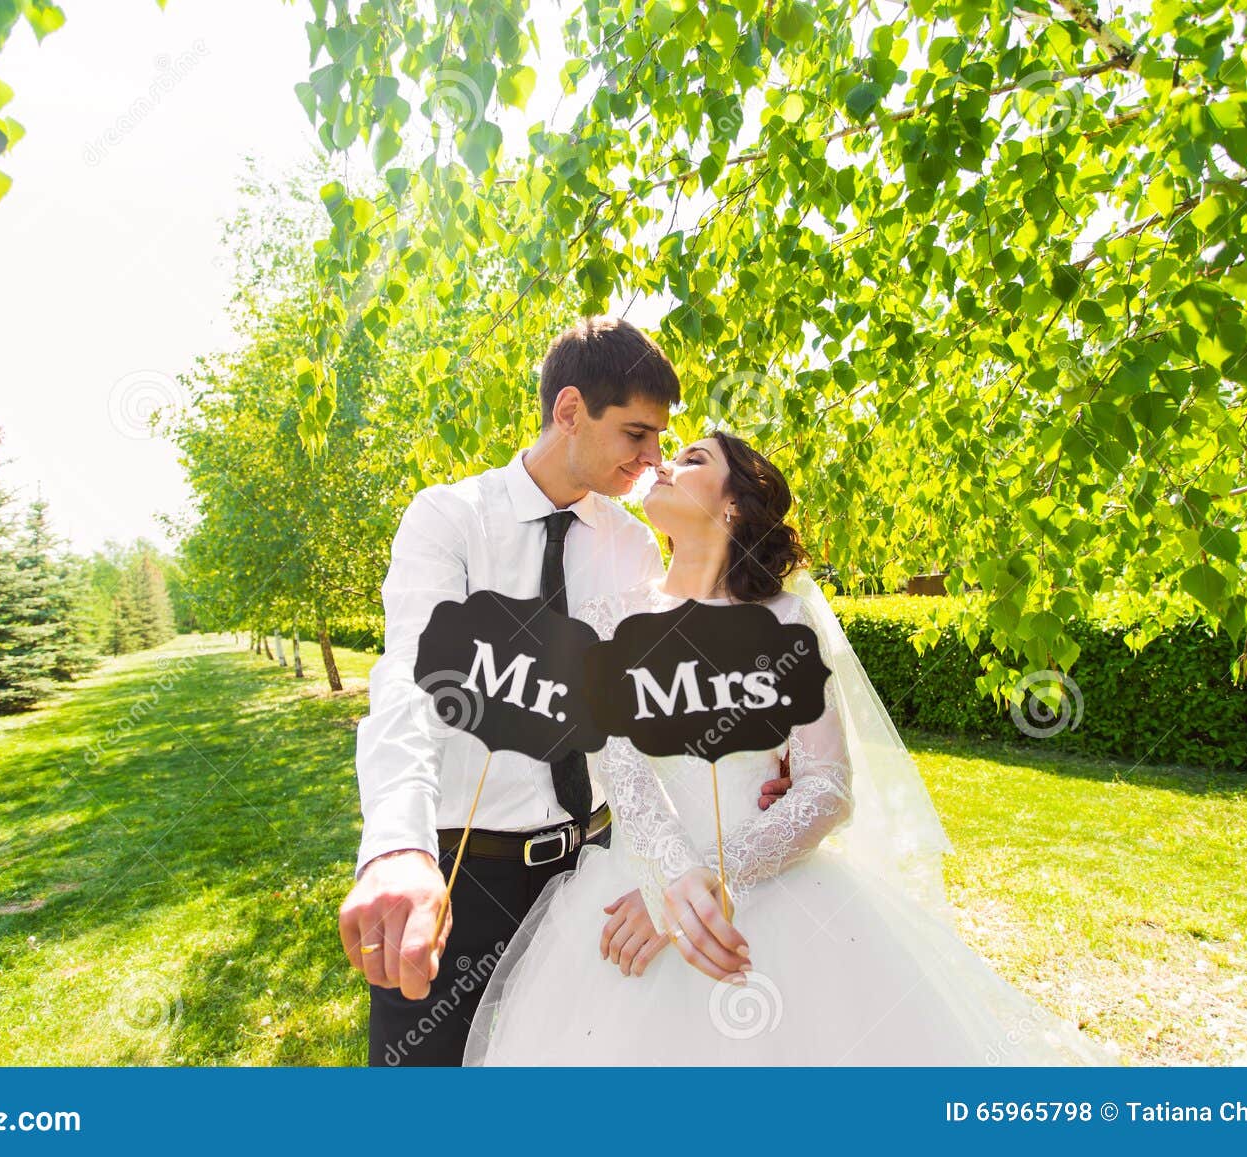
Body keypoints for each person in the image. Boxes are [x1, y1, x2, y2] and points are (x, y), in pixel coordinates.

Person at [462, 431, 1123, 1065]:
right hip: (631, 887)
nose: (661, 463)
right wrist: (671, 889)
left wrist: (712, 883)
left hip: (775, 894)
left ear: (732, 503)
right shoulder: (609, 620)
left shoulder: (784, 620)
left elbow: (827, 786)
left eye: (690, 458)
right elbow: (625, 777)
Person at [339, 319, 795, 1066]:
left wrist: (758, 752)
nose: (653, 462)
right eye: (638, 436)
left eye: (663, 443)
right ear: (571, 410)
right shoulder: (450, 518)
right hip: (461, 877)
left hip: (588, 876)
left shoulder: (629, 542)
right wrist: (396, 844)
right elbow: (409, 684)